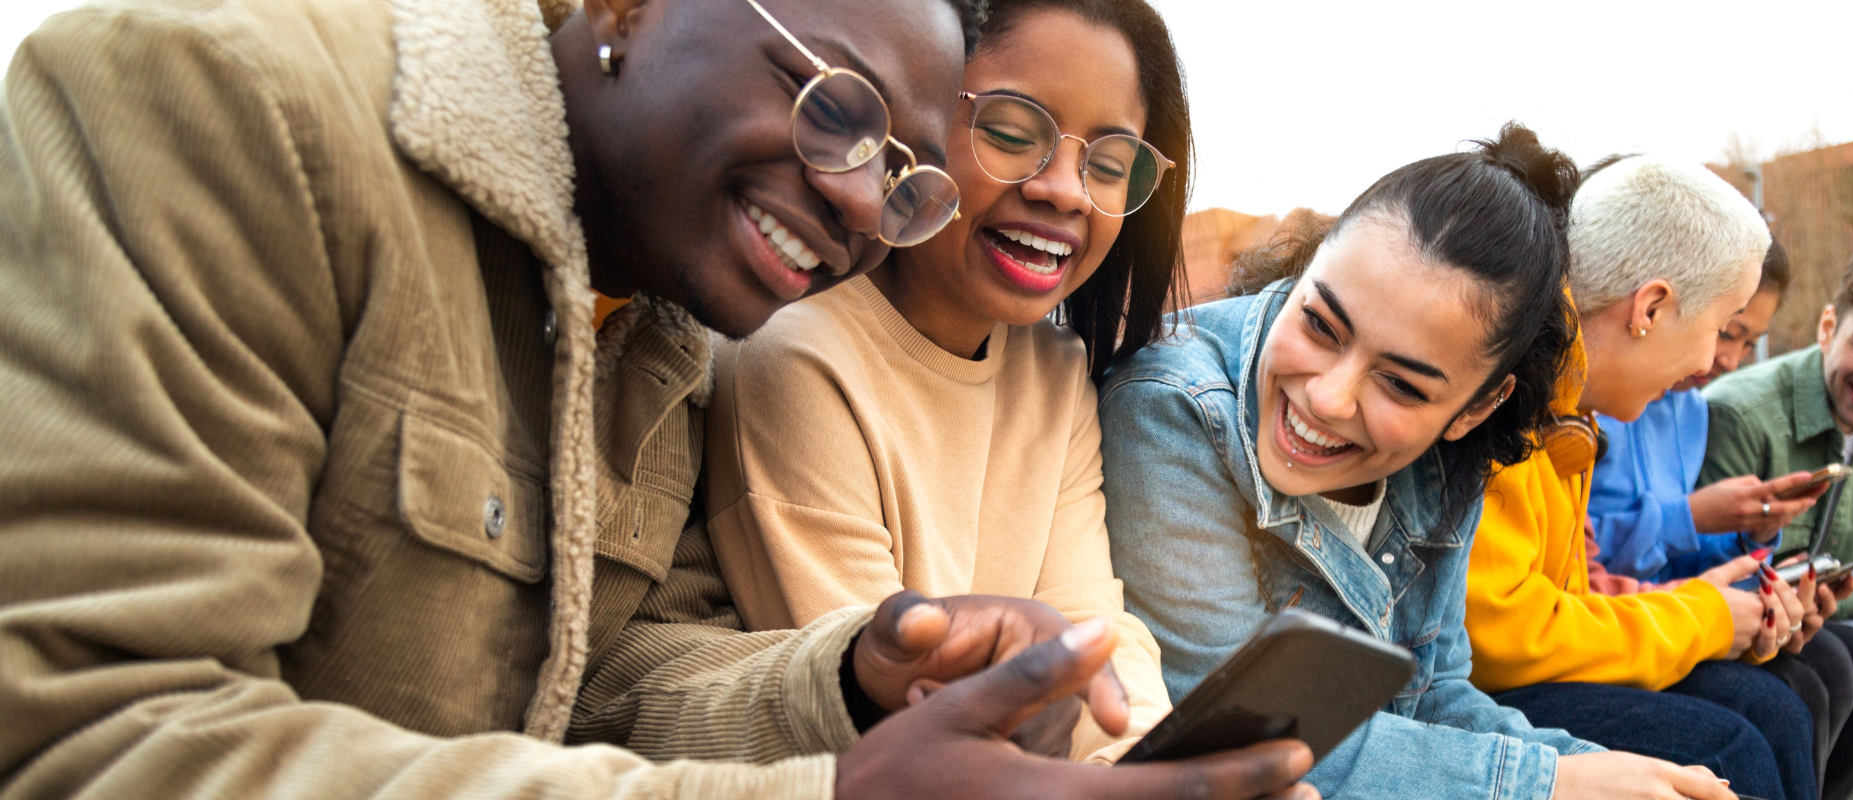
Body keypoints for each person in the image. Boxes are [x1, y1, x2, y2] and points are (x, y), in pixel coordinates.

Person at [0, 0, 1320, 797]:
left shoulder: (669, 321)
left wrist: (852, 679)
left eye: (910, 173)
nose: (866, 207)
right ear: (627, 7)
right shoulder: (228, 103)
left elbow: (597, 678)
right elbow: (89, 737)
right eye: (832, 106)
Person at [1103, 124, 1744, 800]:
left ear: (1477, 407)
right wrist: (1551, 782)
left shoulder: (1454, 457)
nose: (1326, 397)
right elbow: (1236, 739)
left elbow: (1433, 690)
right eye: (1321, 324)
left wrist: (1612, 771)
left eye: (1402, 385)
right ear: (1310, 268)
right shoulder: (1169, 407)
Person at [704, 0, 1187, 762]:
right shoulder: (795, 355)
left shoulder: (1055, 377)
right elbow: (894, 712)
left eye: (1107, 165)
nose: (1065, 190)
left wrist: (1168, 774)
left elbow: (1094, 634)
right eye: (1009, 133)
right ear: (907, 118)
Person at [1464, 155, 1816, 800]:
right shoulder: (1512, 397)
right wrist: (1703, 616)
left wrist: (1701, 601)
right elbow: (1502, 639)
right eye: (1719, 327)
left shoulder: (1573, 407)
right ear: (1650, 307)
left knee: (1779, 701)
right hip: (1475, 701)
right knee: (1728, 743)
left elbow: (1569, 596)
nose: (1714, 361)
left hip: (1527, 677)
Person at [1588, 237, 1853, 799]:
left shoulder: (1686, 406)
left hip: (1665, 603)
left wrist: (1755, 542)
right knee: (1776, 706)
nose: (1723, 362)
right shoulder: (1609, 406)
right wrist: (1690, 519)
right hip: (1626, 618)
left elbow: (1690, 556)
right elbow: (1586, 560)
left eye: (1748, 341)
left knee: (1846, 667)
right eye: (1724, 332)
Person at [1702, 226, 1853, 800]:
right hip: (1743, 620)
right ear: (1829, 328)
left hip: (1815, 619)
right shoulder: (1740, 415)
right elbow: (1709, 565)